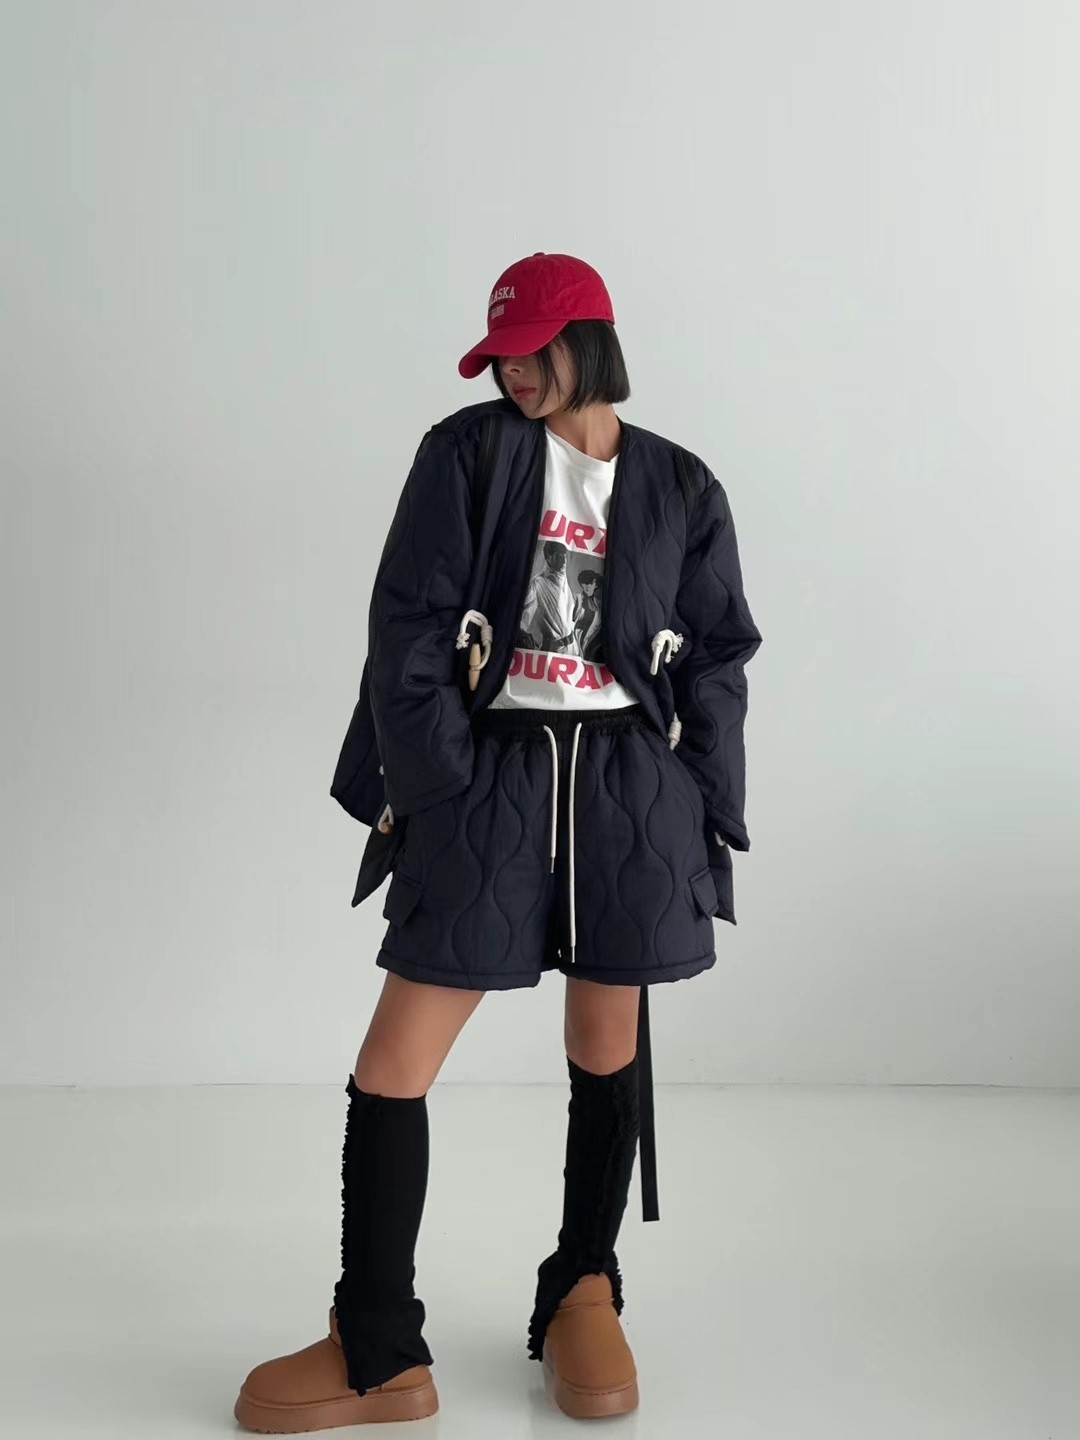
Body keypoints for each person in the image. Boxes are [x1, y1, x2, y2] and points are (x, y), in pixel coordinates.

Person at [233, 252, 762, 1431]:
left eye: (536, 351)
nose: (515, 373)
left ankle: (582, 1285)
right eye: (501, 356)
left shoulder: (682, 484)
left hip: (630, 786)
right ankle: (378, 1345)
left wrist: (698, 798)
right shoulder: (465, 454)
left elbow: (719, 649)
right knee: (397, 1059)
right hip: (494, 777)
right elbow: (408, 625)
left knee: (606, 1044)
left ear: (593, 342)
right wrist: (440, 786)